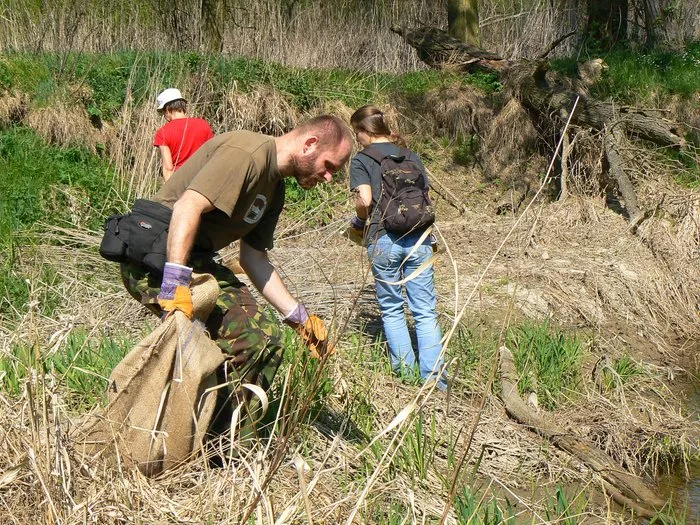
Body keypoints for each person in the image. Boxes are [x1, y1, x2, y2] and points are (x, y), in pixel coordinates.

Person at [120, 115, 353, 439]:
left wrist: (301, 320)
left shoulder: (274, 188)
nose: (328, 177)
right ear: (310, 144)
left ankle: (223, 444)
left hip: (196, 258)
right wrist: (175, 286)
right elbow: (187, 206)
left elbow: (254, 259)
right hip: (155, 253)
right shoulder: (248, 153)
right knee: (248, 340)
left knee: (269, 340)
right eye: (329, 166)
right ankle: (196, 444)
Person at [348, 105, 447, 390]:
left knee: (392, 309)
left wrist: (358, 221)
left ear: (366, 132)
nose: (359, 140)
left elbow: (365, 201)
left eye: (358, 134)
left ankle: (405, 376)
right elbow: (425, 196)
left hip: (384, 238)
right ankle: (435, 381)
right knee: (425, 311)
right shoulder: (412, 156)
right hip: (419, 239)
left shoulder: (363, 160)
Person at [154, 88, 214, 182]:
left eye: (163, 112)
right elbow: (212, 154)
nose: (164, 116)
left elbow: (168, 168)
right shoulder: (203, 124)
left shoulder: (163, 132)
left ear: (167, 109)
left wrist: (169, 192)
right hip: (204, 180)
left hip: (180, 182)